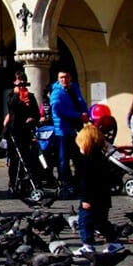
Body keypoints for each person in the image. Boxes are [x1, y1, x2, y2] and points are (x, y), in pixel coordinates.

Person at [72, 125, 125, 256]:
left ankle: (87, 245)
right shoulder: (102, 158)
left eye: (80, 145)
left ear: (86, 144)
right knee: (101, 222)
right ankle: (114, 242)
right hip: (104, 198)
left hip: (91, 199)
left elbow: (86, 182)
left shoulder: (87, 161)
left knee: (85, 222)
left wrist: (85, 199)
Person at [50, 70, 89, 198]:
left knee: (79, 158)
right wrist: (78, 115)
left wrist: (85, 113)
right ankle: (67, 184)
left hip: (77, 128)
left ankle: (78, 183)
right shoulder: (56, 92)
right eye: (61, 77)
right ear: (58, 79)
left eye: (66, 77)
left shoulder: (75, 88)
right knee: (64, 160)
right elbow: (58, 109)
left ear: (70, 77)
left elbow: (81, 102)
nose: (64, 80)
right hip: (63, 130)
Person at [4, 72, 41, 196]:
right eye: (18, 80)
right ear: (14, 82)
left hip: (26, 131)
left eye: (22, 80)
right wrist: (16, 93)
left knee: (28, 159)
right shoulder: (11, 95)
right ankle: (12, 183)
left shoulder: (30, 96)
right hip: (14, 132)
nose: (20, 82)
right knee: (14, 160)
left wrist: (33, 118)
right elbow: (11, 106)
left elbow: (36, 113)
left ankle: (26, 184)